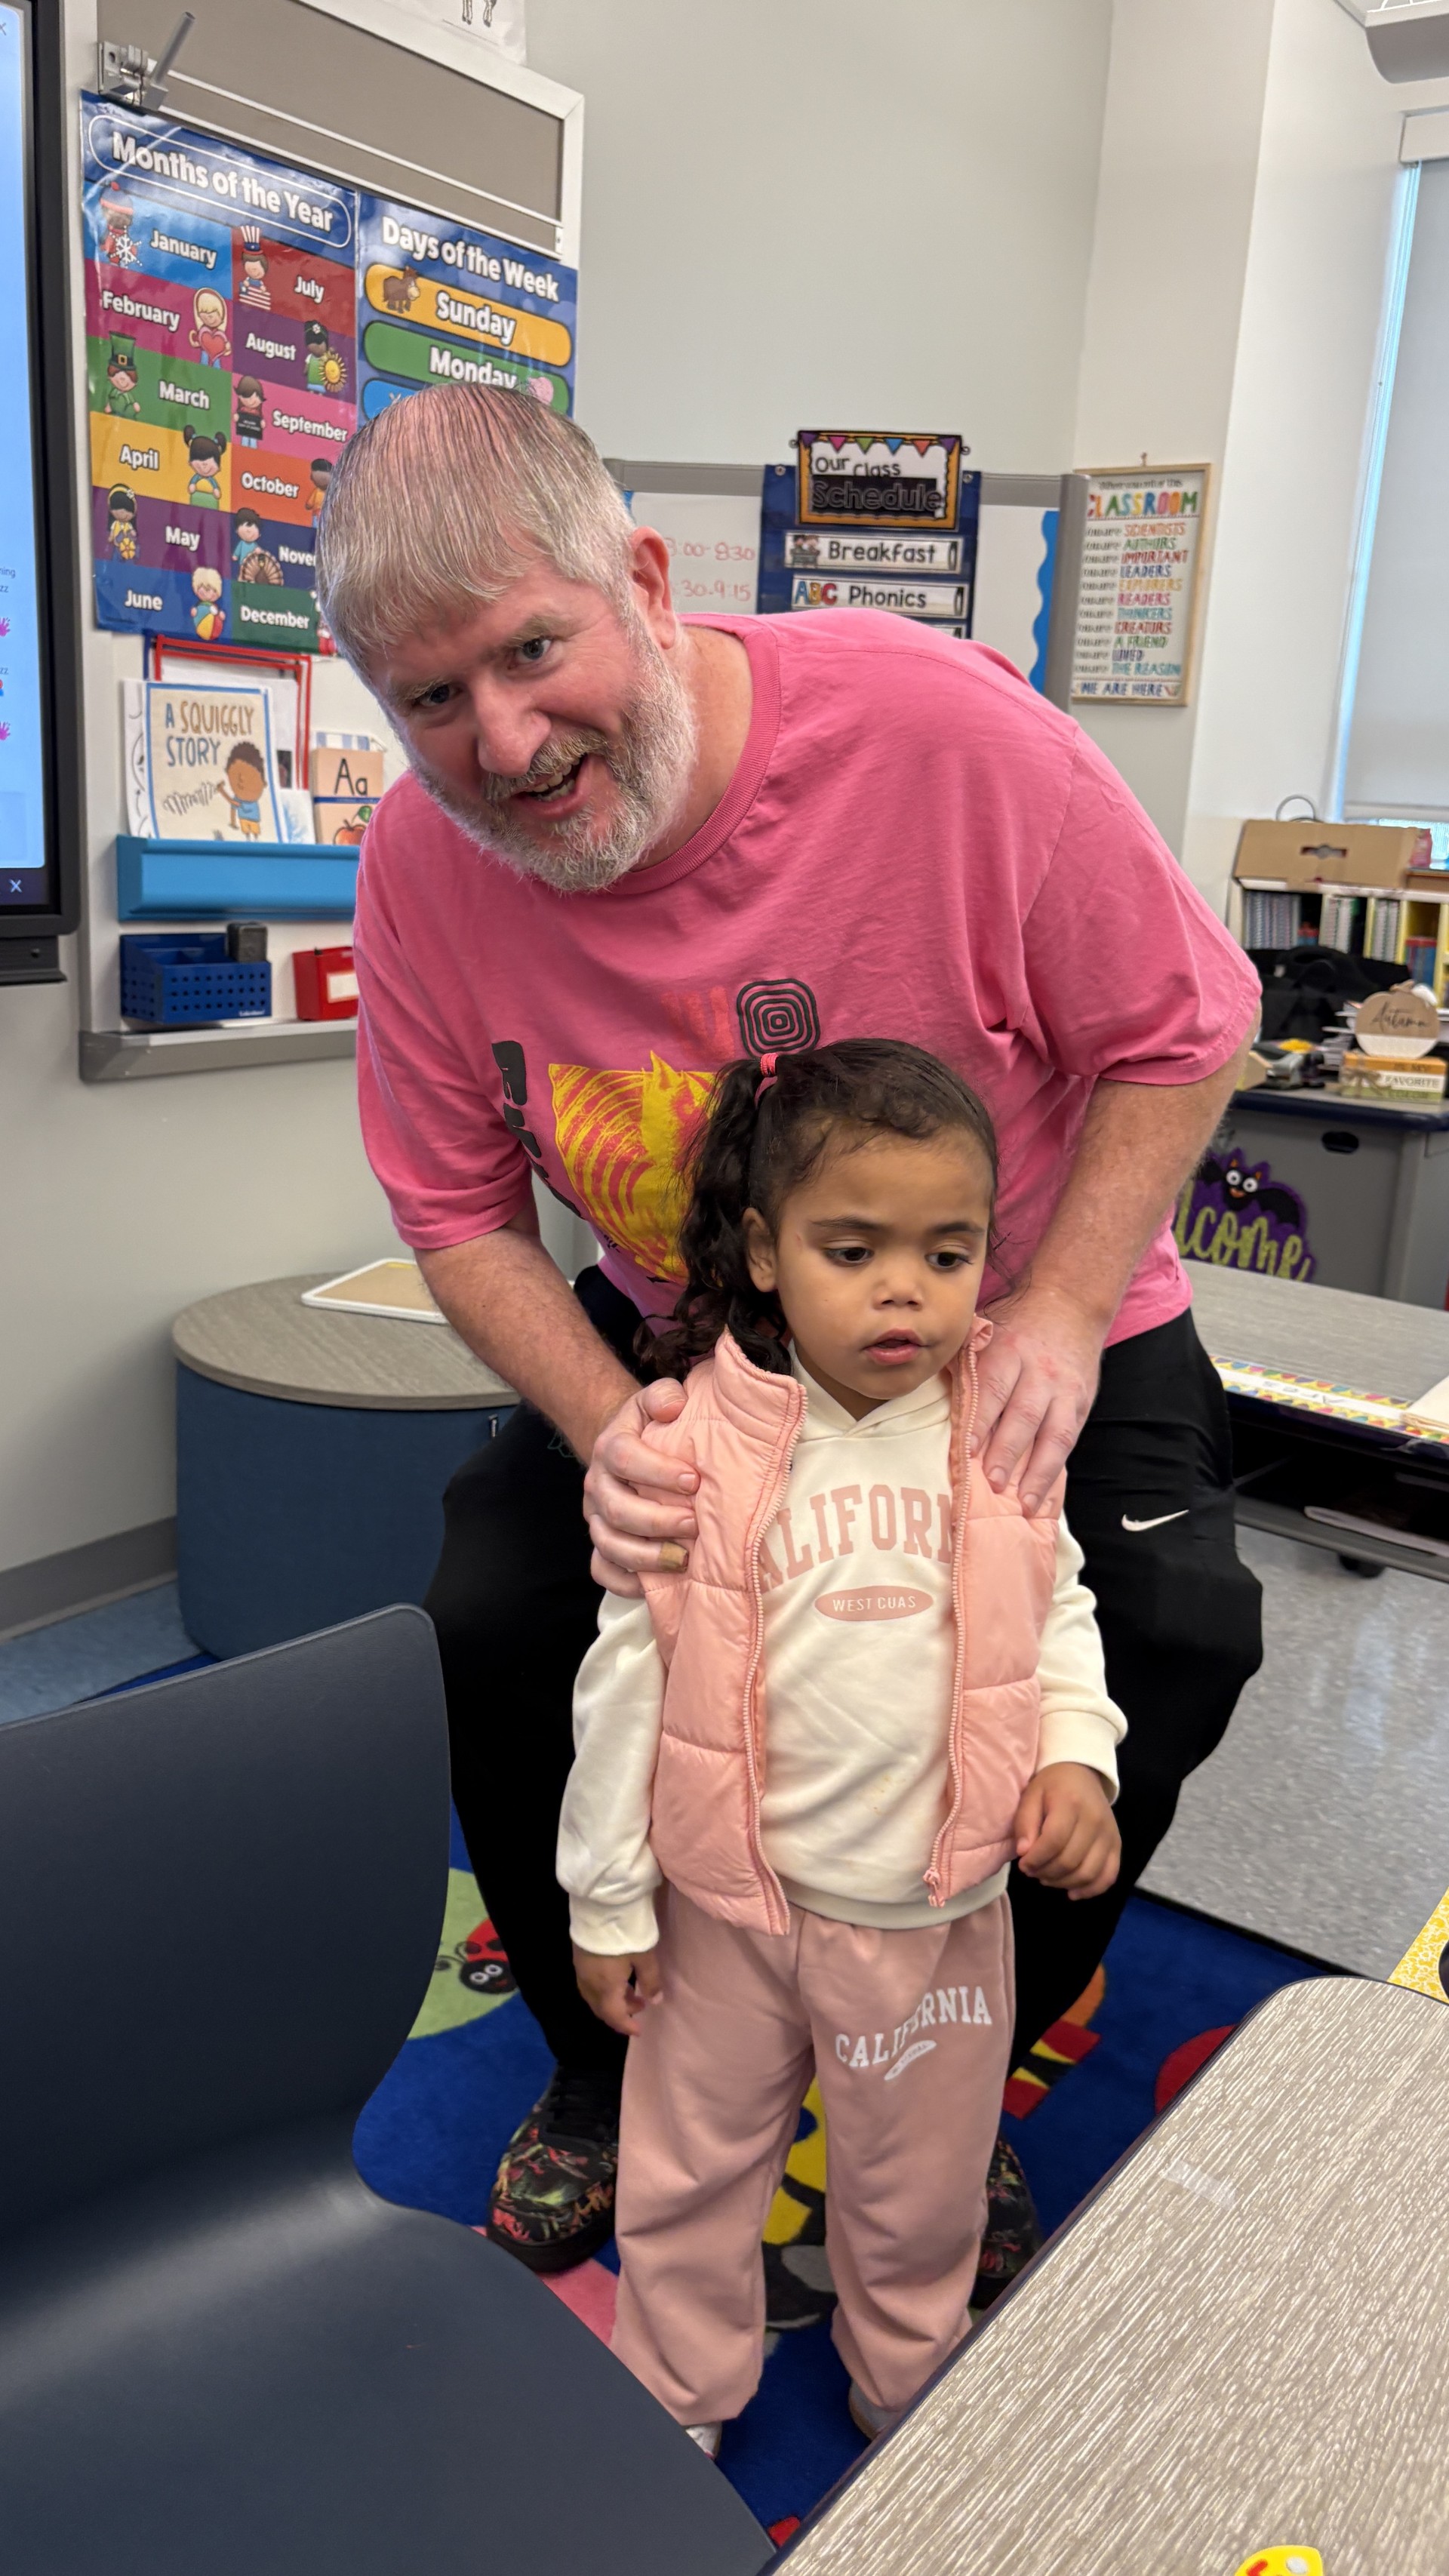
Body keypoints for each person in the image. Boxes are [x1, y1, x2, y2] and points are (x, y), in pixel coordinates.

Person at [314, 385, 1263, 2280]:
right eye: (432, 702)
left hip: (1011, 1305)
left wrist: (1067, 1309)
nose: (504, 743)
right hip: (694, 1334)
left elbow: (1190, 1021)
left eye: (532, 651)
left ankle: (956, 2048)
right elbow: (453, 1214)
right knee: (495, 1611)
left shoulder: (939, 732)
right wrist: (621, 1434)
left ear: (643, 585)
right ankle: (604, 2061)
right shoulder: (425, 866)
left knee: (1170, 1627)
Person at [558, 1039, 1124, 2449]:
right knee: (688, 2173)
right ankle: (675, 2398)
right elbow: (623, 1679)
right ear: (761, 1251)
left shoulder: (996, 1429)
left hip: (931, 1918)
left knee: (917, 2189)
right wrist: (609, 1893)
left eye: (947, 1253)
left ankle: (909, 2395)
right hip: (727, 1912)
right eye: (851, 1246)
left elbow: (1059, 1611)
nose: (901, 1291)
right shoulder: (694, 1441)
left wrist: (1078, 1757)